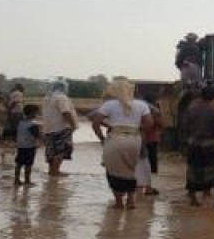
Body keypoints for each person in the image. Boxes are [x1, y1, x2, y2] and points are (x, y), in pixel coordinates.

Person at [89, 78, 153, 210]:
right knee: (130, 170)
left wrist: (102, 138)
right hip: (134, 139)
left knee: (112, 170)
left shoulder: (109, 105)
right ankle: (130, 201)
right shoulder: (142, 105)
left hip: (115, 138)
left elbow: (95, 123)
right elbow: (149, 123)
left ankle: (119, 202)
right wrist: (137, 131)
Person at [183, 82, 214, 207]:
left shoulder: (191, 109)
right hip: (209, 145)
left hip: (193, 144)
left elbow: (185, 128)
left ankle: (193, 200)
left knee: (193, 172)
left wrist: (186, 144)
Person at [42, 80, 78, 177]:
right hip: (61, 127)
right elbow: (65, 112)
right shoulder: (62, 97)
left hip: (48, 128)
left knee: (51, 151)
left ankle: (52, 170)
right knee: (61, 150)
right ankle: (55, 171)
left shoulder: (47, 97)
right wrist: (73, 124)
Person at [136, 93, 164, 195]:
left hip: (137, 139)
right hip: (151, 140)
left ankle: (137, 187)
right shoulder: (153, 109)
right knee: (150, 165)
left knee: (138, 163)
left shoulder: (137, 107)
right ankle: (148, 188)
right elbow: (160, 123)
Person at [14, 104, 42, 187]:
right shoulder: (33, 125)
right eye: (36, 113)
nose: (36, 115)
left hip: (20, 146)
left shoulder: (20, 122)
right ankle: (27, 180)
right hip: (29, 147)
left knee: (19, 163)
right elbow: (37, 136)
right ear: (32, 113)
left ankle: (16, 179)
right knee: (28, 164)